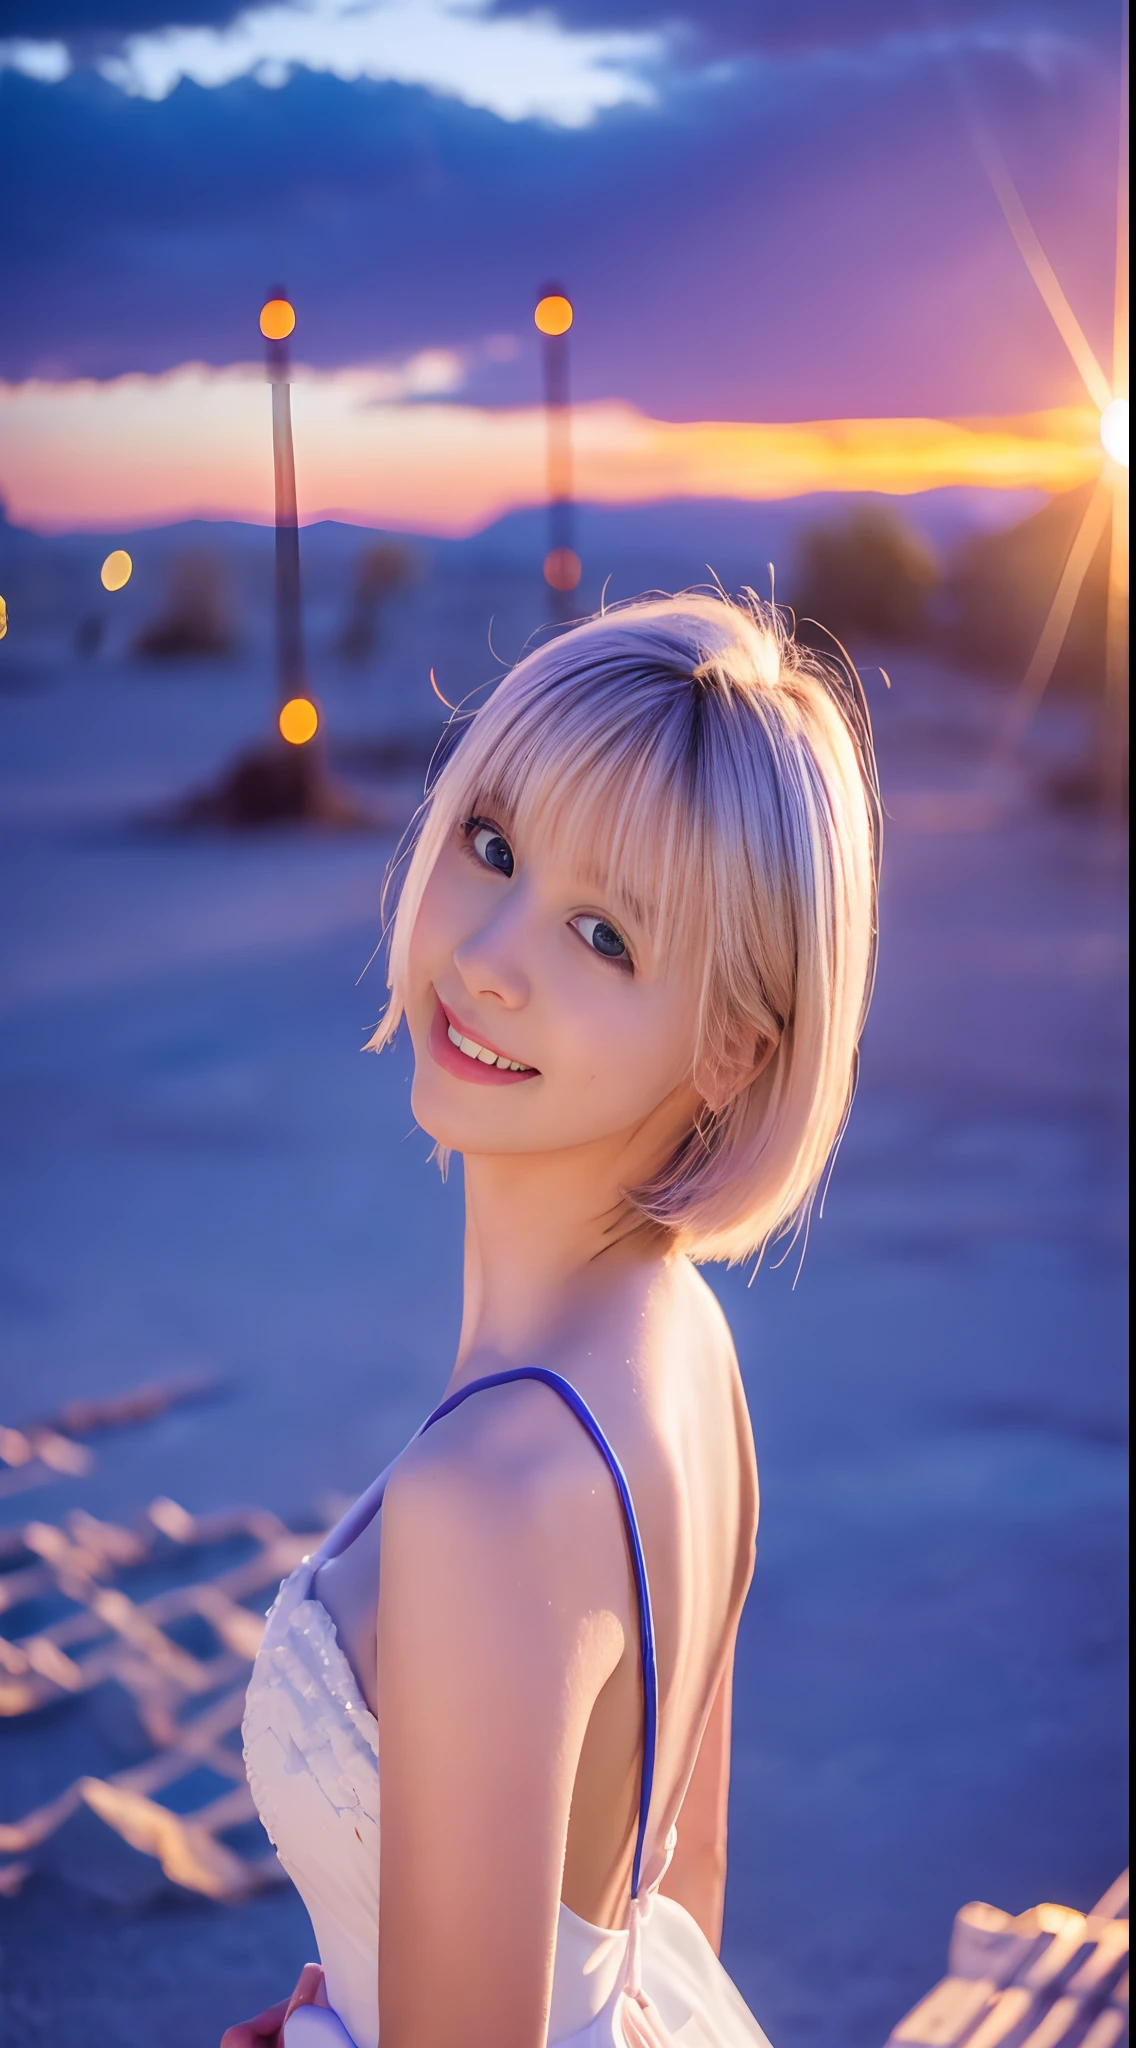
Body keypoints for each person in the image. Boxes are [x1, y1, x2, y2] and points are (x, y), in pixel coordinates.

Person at [224, 591, 879, 2048]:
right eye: (495, 847)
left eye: (604, 934)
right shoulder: (690, 1346)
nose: (491, 958)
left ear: (731, 1046)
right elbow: (673, 1906)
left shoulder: (490, 1502)